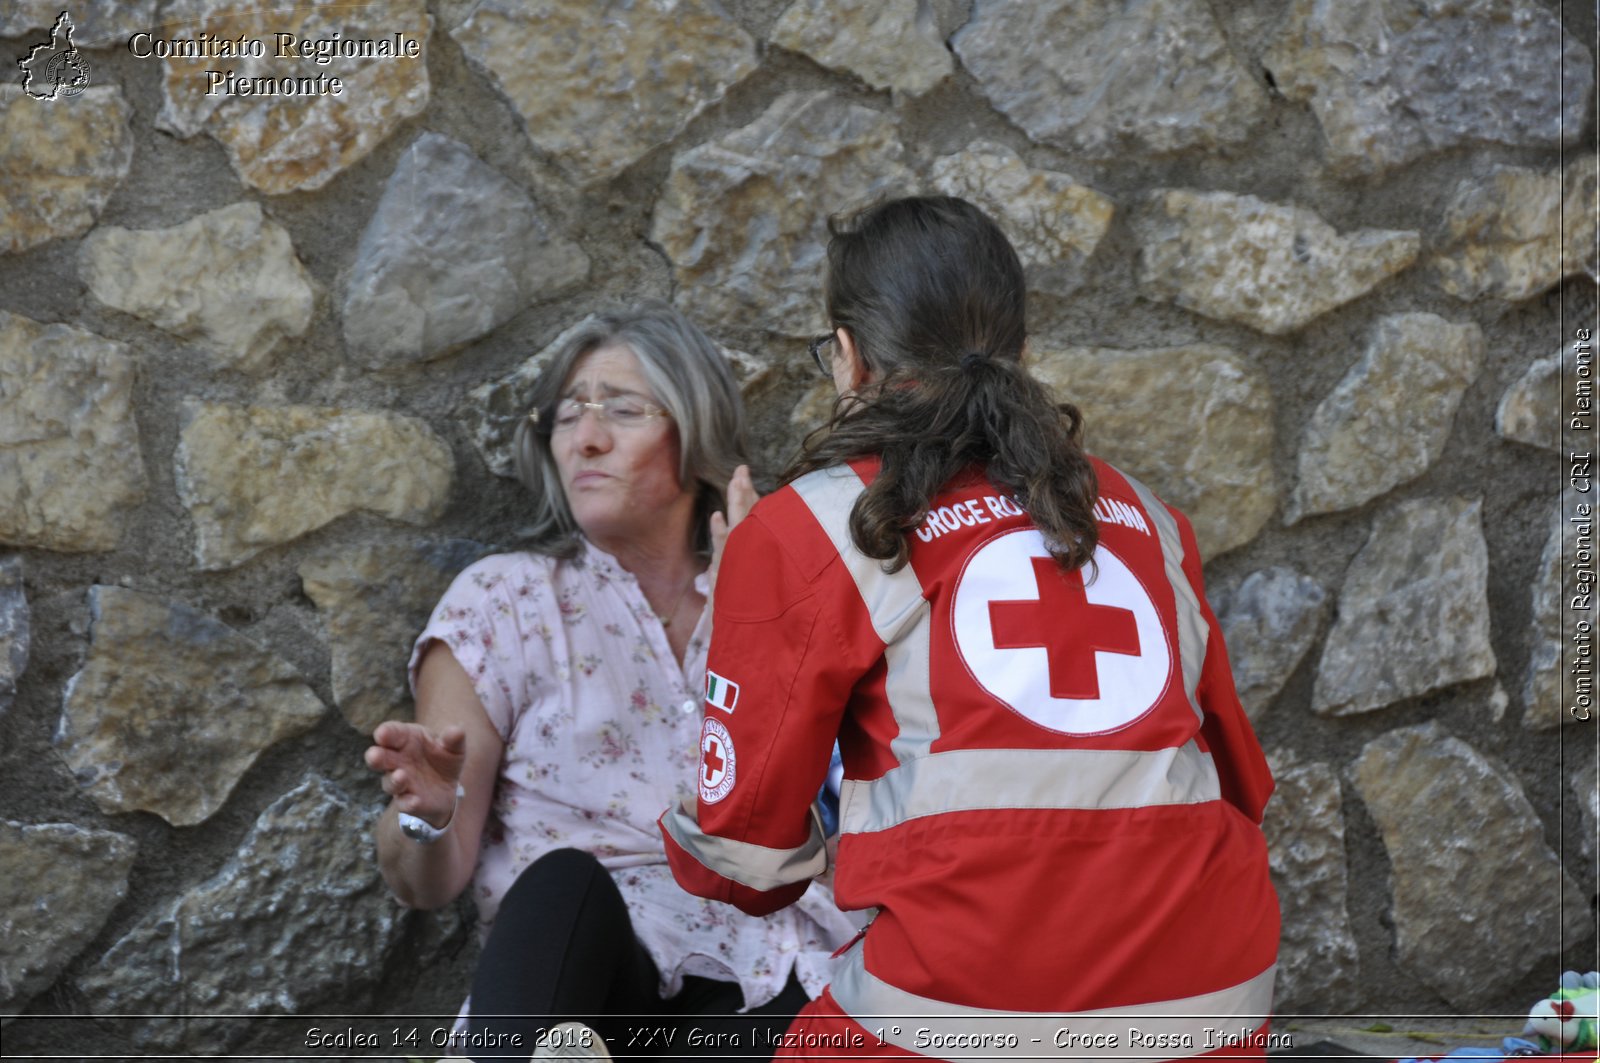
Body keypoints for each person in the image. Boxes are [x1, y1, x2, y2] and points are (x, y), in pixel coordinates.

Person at [660, 197, 1281, 1060]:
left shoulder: (810, 526)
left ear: (846, 357)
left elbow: (739, 856)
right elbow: (1243, 784)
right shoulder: (1148, 514)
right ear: (1023, 352)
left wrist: (741, 613)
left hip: (966, 993)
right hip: (1213, 994)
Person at [365, 303, 857, 1060]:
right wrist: (428, 815)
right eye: (567, 415)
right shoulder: (504, 601)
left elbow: (824, 800)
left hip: (763, 969)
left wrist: (763, 622)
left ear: (692, 433)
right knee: (563, 885)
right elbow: (427, 883)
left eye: (622, 410)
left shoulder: (781, 597)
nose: (585, 438)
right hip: (585, 973)